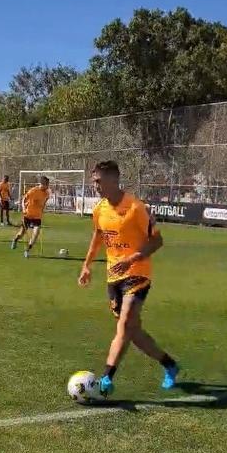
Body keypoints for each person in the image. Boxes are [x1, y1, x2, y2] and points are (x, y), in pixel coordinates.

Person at [78, 161, 180, 396]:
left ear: (114, 180)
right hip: (113, 275)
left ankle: (106, 377)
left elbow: (157, 241)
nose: (95, 185)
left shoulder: (136, 208)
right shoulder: (100, 210)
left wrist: (132, 258)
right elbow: (98, 237)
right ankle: (170, 365)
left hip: (138, 273)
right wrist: (86, 266)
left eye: (99, 181)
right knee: (132, 332)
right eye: (94, 181)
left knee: (124, 325)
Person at [11, 175, 49, 258]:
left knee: (36, 233)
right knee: (21, 233)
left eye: (48, 185)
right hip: (28, 215)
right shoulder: (33, 191)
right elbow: (24, 199)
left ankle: (27, 250)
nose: (47, 186)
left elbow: (45, 201)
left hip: (37, 217)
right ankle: (15, 239)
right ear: (42, 184)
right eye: (46, 185)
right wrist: (24, 208)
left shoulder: (46, 193)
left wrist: (42, 210)